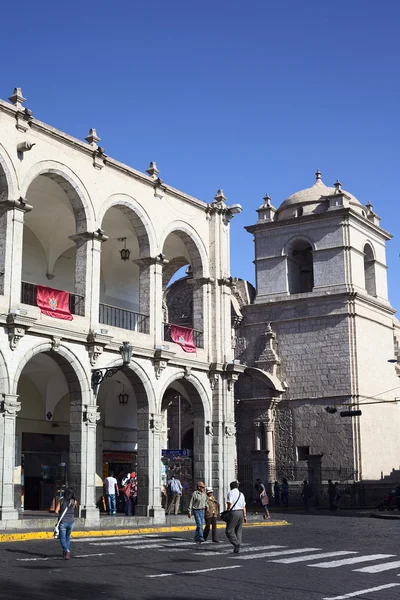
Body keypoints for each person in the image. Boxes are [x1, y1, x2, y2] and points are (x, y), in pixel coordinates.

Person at [55, 487, 78, 560]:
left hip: (63, 522)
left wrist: (61, 512)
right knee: (68, 537)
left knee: (62, 538)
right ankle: (65, 553)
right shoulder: (74, 501)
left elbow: (56, 511)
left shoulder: (61, 500)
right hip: (71, 522)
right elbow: (75, 508)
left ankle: (66, 550)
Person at [225, 481, 247, 554]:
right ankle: (237, 546)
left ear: (231, 487)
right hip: (241, 512)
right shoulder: (241, 494)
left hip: (233, 512)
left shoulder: (230, 493)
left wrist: (227, 511)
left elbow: (229, 503)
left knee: (229, 531)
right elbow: (244, 506)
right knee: (238, 530)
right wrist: (245, 516)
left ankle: (236, 544)